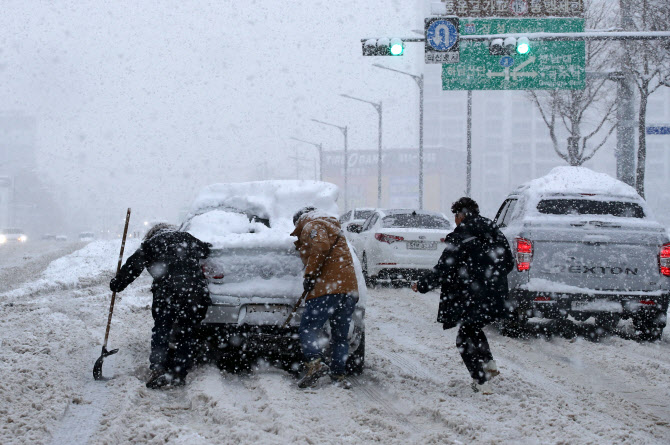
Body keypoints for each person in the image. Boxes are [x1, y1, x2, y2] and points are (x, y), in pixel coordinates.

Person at [412, 197, 514, 394]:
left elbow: (444, 268)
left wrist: (422, 285)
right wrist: (491, 278)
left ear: (461, 215)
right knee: (473, 327)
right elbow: (508, 262)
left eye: (456, 217)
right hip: (493, 293)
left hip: (469, 294)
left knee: (463, 338)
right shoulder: (494, 230)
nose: (455, 221)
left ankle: (481, 381)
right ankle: (489, 363)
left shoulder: (461, 235)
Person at [109, 223, 212, 389]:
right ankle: (179, 373)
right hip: (193, 293)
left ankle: (158, 370)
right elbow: (205, 250)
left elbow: (133, 267)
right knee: (187, 331)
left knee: (162, 330)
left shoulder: (151, 244)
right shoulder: (186, 238)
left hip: (167, 294)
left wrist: (118, 283)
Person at [290, 207, 359, 389]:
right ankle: (338, 374)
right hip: (348, 290)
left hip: (327, 288)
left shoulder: (312, 224)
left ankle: (315, 363)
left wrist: (310, 274)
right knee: (340, 337)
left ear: (299, 221)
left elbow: (321, 245)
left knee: (308, 328)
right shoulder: (334, 228)